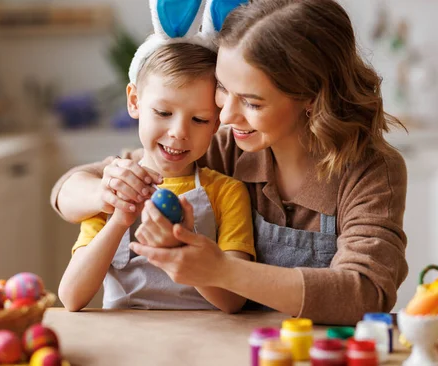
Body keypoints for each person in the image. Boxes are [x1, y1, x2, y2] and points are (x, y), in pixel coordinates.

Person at [52, 0, 408, 325]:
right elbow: (70, 185)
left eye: (252, 102)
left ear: (312, 98)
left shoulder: (371, 171)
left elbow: (364, 293)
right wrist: (108, 189)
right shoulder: (227, 146)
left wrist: (222, 271)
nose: (225, 115)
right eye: (223, 88)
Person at [57, 0, 255, 313]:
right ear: (134, 101)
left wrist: (181, 244)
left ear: (218, 122)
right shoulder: (113, 187)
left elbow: (233, 301)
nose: (178, 132)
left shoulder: (227, 193)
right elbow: (71, 297)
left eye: (200, 119)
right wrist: (120, 217)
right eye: (163, 112)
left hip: (205, 341)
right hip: (127, 342)